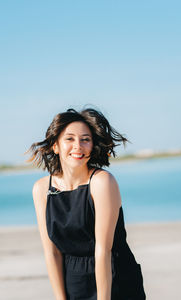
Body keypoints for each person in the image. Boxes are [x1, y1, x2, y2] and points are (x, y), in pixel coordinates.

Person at [28, 107, 146, 300]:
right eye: (69, 139)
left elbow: (103, 250)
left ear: (93, 145)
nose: (78, 146)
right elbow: (52, 253)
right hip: (74, 282)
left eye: (85, 139)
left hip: (115, 278)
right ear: (55, 146)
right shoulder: (41, 189)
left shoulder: (102, 182)